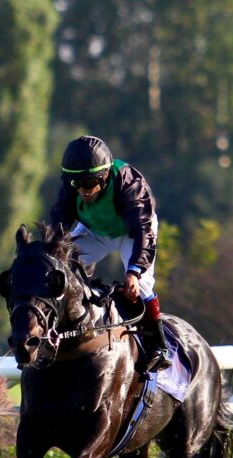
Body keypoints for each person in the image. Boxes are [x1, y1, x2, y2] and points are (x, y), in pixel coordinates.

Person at [48, 135, 171, 373]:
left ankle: (158, 345)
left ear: (104, 176)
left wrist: (134, 271)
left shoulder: (128, 183)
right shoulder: (73, 185)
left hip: (133, 233)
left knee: (141, 285)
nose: (83, 190)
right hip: (95, 230)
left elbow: (144, 231)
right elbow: (58, 220)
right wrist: (50, 249)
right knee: (58, 268)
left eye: (89, 182)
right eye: (76, 184)